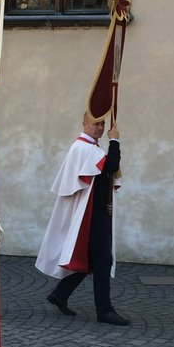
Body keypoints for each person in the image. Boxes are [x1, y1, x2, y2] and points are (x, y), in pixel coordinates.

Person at [36, 112, 128, 325]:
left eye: (103, 124)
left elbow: (103, 177)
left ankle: (60, 294)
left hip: (95, 210)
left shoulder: (91, 148)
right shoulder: (83, 148)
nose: (100, 128)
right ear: (84, 123)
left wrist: (108, 200)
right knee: (103, 259)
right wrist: (114, 140)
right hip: (90, 214)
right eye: (96, 123)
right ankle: (104, 310)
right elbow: (111, 166)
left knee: (92, 259)